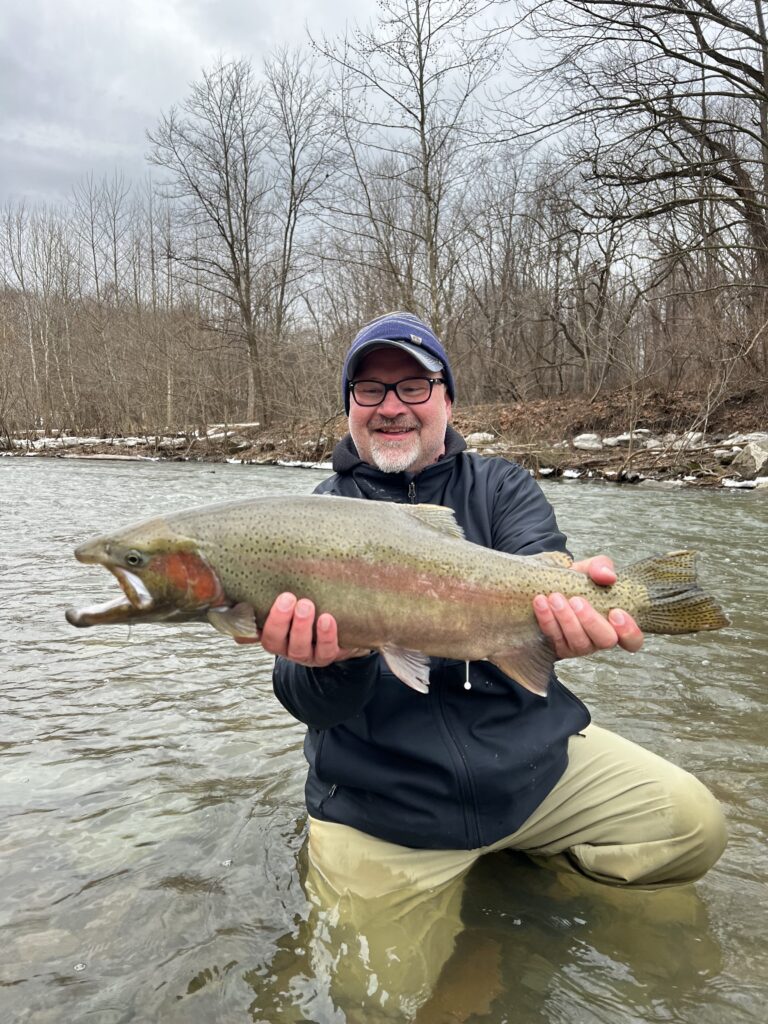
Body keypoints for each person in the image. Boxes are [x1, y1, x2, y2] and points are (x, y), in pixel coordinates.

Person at [248, 311, 726, 1018]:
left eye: (413, 385)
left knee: (693, 826)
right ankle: (483, 920)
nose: (391, 407)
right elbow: (304, 700)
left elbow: (542, 564)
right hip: (392, 810)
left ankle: (534, 871)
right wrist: (330, 661)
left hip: (531, 773)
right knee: (369, 997)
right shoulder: (314, 518)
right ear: (349, 407)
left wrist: (570, 600)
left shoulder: (501, 487)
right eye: (369, 390)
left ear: (447, 400)